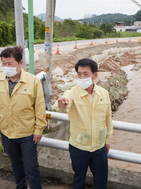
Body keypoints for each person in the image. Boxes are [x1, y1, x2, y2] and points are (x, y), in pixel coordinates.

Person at [0, 46, 47, 189]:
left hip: (27, 133)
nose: (6, 67)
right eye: (3, 63)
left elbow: (39, 107)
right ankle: (20, 186)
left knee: (31, 167)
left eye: (10, 64)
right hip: (7, 131)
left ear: (20, 63)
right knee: (16, 164)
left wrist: (38, 130)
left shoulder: (32, 81)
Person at [55, 58, 113, 189]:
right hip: (79, 147)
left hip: (99, 146)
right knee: (79, 179)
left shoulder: (104, 93)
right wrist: (61, 103)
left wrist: (107, 140)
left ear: (95, 75)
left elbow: (108, 118)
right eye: (79, 74)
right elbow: (64, 102)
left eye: (85, 74)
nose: (82, 77)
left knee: (101, 179)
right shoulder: (72, 92)